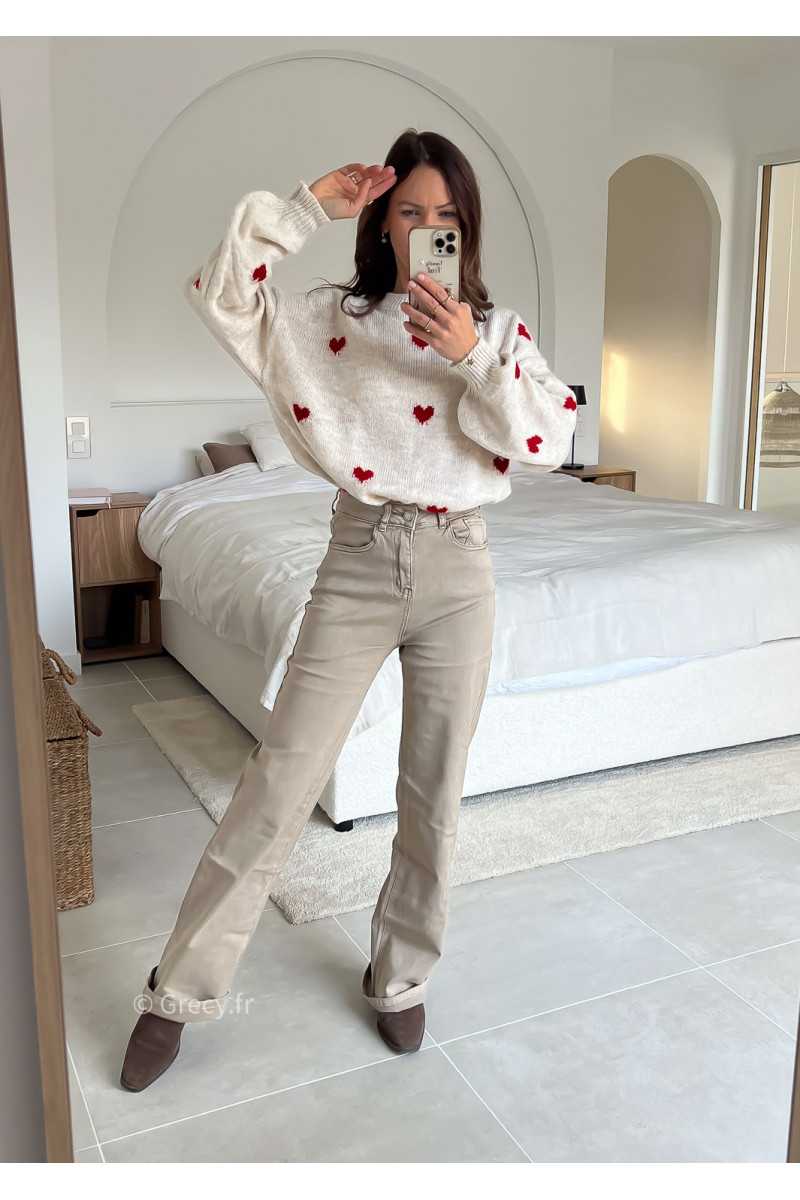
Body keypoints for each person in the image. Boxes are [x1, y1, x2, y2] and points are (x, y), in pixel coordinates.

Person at [121, 129, 577, 1092]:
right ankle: (176, 994)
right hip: (359, 560)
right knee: (279, 783)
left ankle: (401, 975)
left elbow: (548, 440)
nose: (428, 229)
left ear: (467, 227)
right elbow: (222, 295)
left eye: (445, 215)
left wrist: (472, 358)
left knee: (433, 794)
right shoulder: (329, 320)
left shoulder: (498, 334)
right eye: (409, 211)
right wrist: (302, 209)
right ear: (381, 221)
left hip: (462, 569)